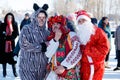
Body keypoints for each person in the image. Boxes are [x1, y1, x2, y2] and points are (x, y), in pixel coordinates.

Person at [75, 10, 110, 80]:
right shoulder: (78, 34)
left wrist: (88, 50)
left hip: (95, 67)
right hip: (83, 67)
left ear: (88, 21)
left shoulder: (98, 32)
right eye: (79, 21)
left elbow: (105, 48)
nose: (81, 23)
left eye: (83, 20)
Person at [45, 15, 82, 80]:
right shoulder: (51, 38)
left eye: (57, 24)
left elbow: (77, 52)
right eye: (53, 24)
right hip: (54, 75)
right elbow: (48, 54)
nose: (55, 26)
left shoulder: (71, 35)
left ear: (62, 25)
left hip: (69, 74)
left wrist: (64, 66)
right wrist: (56, 39)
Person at [19, 3, 49, 80]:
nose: (41, 19)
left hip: (42, 71)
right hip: (27, 69)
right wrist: (41, 47)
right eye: (39, 17)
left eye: (43, 17)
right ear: (35, 17)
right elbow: (23, 44)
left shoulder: (47, 32)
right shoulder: (26, 29)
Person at [0, 13, 19, 77]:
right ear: (6, 18)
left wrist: (11, 37)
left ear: (12, 18)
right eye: (8, 17)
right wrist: (4, 37)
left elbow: (16, 33)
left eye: (10, 17)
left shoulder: (14, 24)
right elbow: (0, 34)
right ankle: (4, 72)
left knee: (12, 59)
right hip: (3, 45)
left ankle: (14, 72)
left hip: (11, 44)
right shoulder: (2, 25)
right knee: (4, 59)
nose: (9, 18)